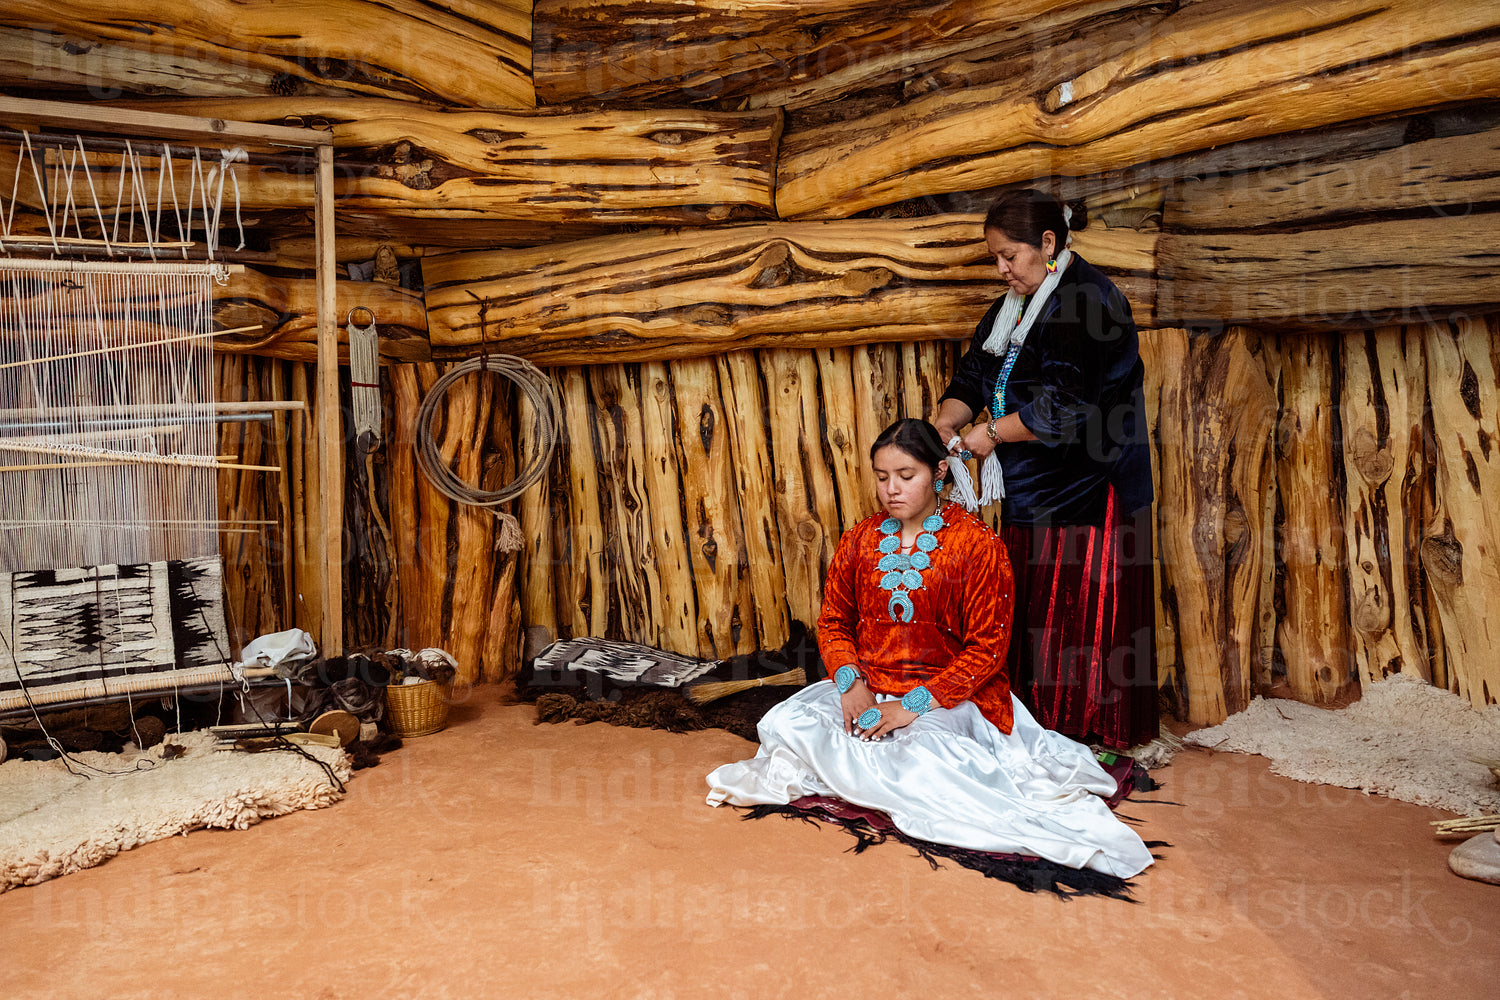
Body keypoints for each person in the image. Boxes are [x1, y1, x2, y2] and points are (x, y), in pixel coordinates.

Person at [706, 419, 1152, 878]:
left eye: (906, 476)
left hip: (952, 697)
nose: (891, 490)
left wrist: (911, 706)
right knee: (785, 723)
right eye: (881, 478)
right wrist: (849, 682)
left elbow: (987, 651)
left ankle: (895, 771)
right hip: (871, 685)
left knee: (922, 761)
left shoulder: (978, 546)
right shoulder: (859, 541)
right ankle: (868, 758)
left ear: (939, 473)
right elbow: (834, 622)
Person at [933, 189, 1157, 751]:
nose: (1002, 268)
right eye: (996, 258)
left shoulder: (1088, 302)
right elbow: (972, 377)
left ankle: (1087, 733)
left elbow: (1064, 407)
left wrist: (987, 434)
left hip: (1089, 484)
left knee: (1082, 614)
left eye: (1010, 255)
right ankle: (1035, 725)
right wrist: (943, 425)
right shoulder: (1015, 303)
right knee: (1034, 613)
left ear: (1049, 244)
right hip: (1034, 485)